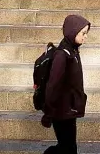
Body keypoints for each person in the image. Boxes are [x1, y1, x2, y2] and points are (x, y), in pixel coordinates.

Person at [41, 14, 92, 154]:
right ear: (72, 31)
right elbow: (53, 86)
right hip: (60, 111)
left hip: (69, 110)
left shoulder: (73, 51)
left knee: (69, 147)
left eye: (86, 33)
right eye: (83, 33)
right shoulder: (62, 55)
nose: (85, 36)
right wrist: (48, 113)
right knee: (66, 148)